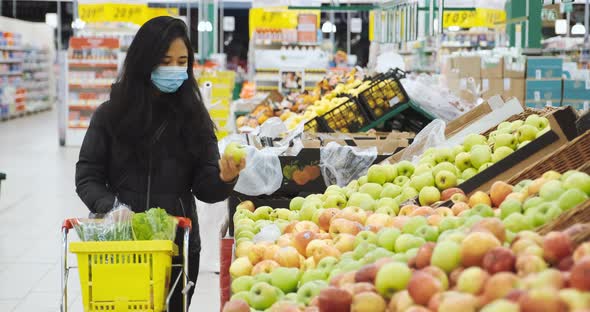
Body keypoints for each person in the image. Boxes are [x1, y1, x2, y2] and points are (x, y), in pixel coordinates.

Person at [75, 16, 245, 310]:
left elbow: (205, 189)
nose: (175, 70)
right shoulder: (109, 115)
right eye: (166, 61)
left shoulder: (195, 119)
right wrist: (112, 207)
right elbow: (87, 176)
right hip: (122, 242)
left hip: (177, 245)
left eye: (182, 62)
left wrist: (225, 179)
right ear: (145, 61)